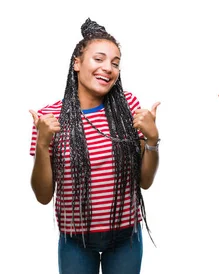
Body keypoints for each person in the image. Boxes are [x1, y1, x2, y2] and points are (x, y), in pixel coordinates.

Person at [28, 18, 160, 274]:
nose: (108, 68)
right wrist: (43, 144)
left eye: (115, 63)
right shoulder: (49, 118)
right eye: (98, 59)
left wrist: (153, 140)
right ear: (76, 64)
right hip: (75, 240)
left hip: (125, 237)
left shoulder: (130, 108)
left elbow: (145, 181)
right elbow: (43, 196)